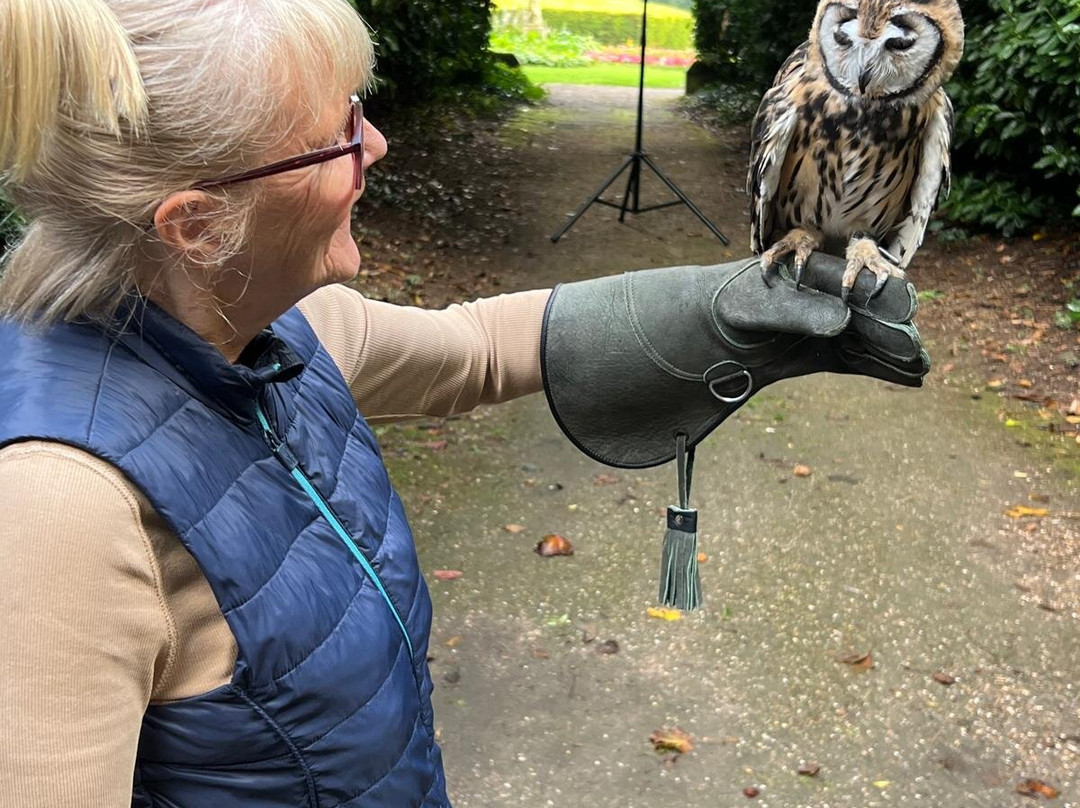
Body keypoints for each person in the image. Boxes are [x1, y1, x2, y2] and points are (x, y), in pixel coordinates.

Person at [0, 1, 928, 806]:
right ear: (198, 227)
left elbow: (480, 348)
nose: (375, 146)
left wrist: (732, 308)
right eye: (335, 138)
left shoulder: (278, 327)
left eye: (359, 112)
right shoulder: (56, 509)